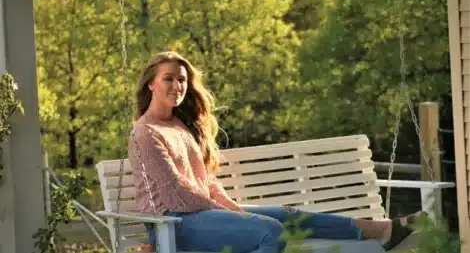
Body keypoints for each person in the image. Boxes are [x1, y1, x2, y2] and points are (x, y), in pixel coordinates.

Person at [128, 51, 422, 253]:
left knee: (286, 214)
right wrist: (230, 213)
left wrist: (231, 206)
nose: (177, 85)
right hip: (173, 225)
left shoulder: (180, 125)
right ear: (151, 84)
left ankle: (382, 231)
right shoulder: (146, 132)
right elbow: (176, 196)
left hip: (201, 213)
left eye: (182, 79)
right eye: (169, 78)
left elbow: (204, 180)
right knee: (271, 231)